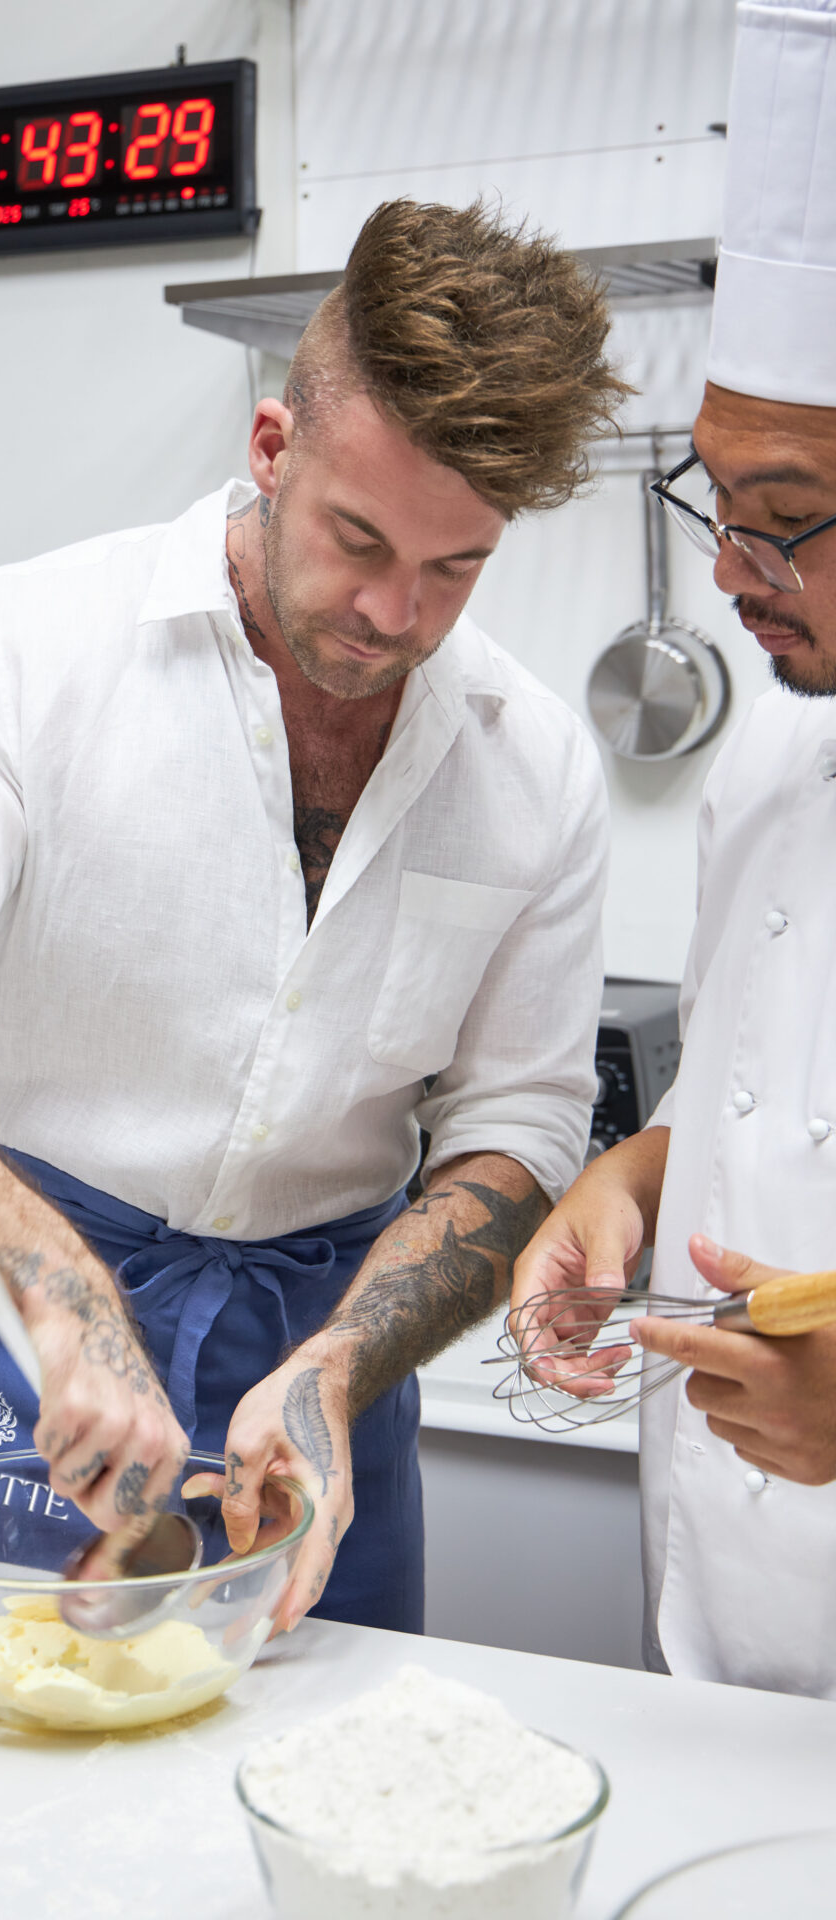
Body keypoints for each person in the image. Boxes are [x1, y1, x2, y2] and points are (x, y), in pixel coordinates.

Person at [0, 196, 626, 1634]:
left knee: (325, 1792)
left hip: (329, 1370)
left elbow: (516, 1130)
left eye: (455, 568)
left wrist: (336, 1374)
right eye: (359, 538)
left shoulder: (535, 767)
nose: (396, 613)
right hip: (18, 1334)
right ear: (271, 448)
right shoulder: (28, 652)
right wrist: (56, 1290)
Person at [511, 0, 836, 1697]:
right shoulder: (775, 734)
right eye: (719, 505)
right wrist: (620, 1187)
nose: (730, 574)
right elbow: (747, 1089)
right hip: (717, 1617)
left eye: (786, 522)